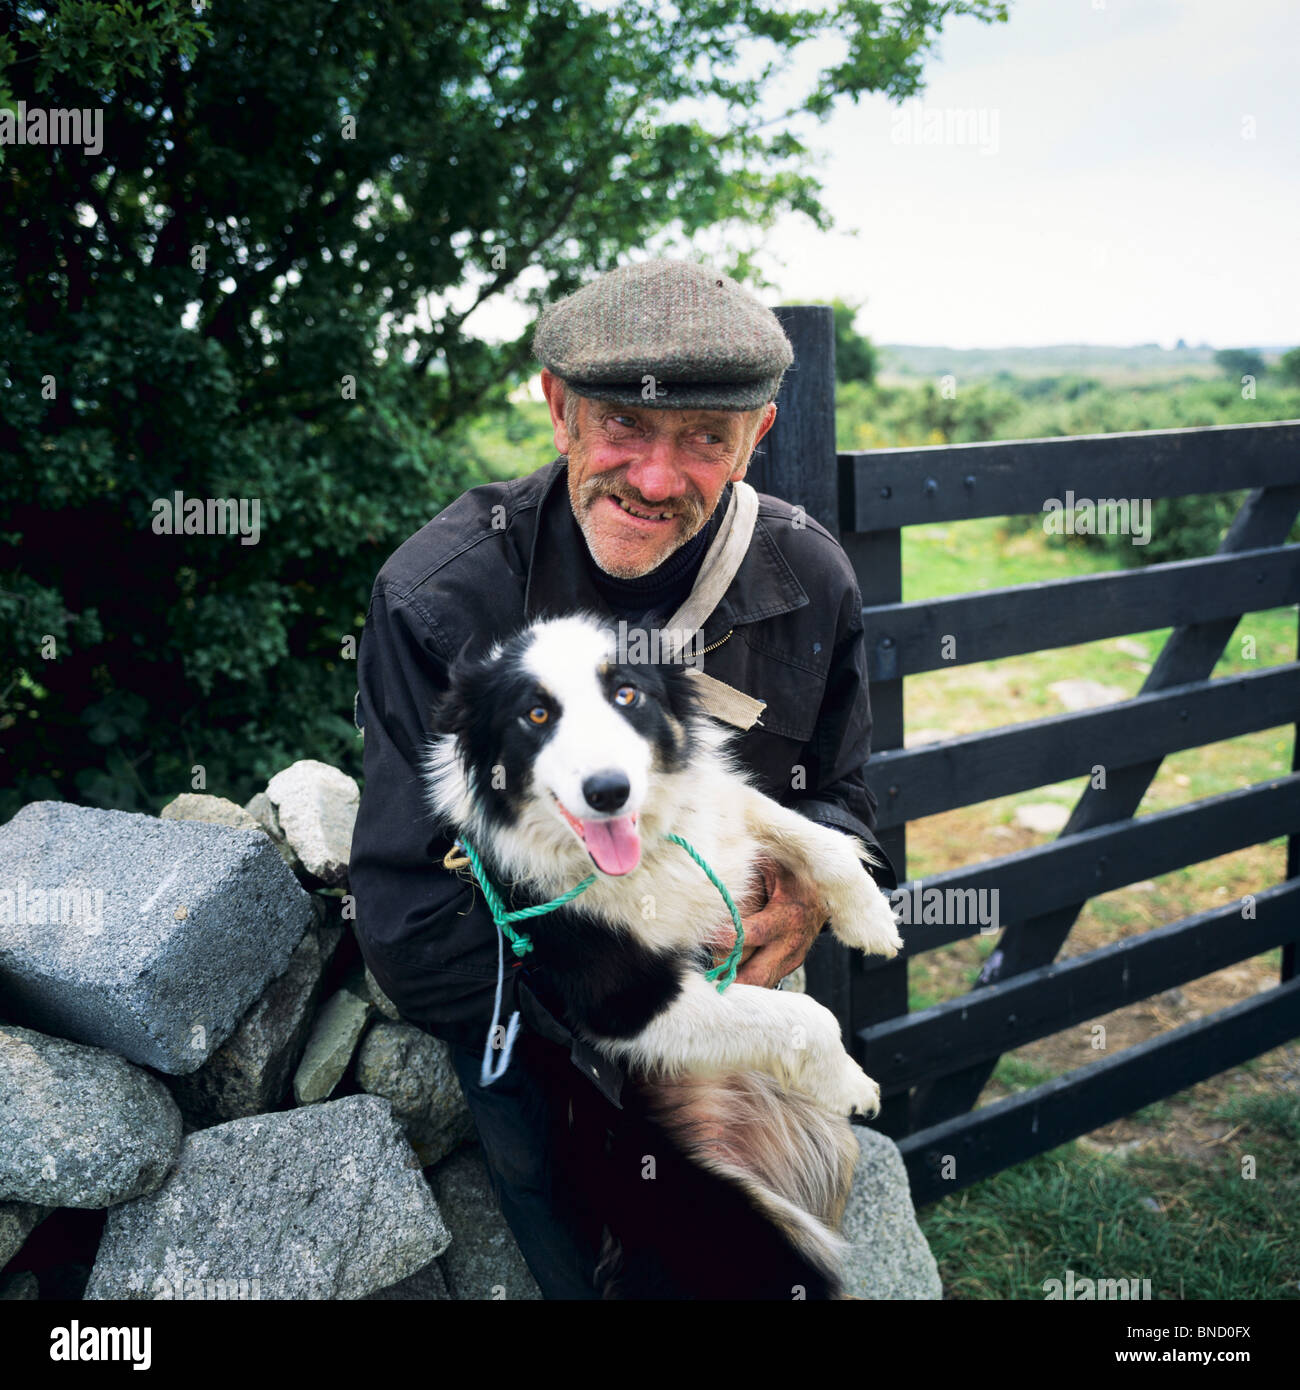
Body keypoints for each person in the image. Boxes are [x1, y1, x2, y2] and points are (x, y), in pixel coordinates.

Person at [349, 258, 898, 1299]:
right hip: (552, 1010)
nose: (654, 478)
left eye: (704, 439)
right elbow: (412, 919)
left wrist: (802, 897)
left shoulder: (808, 574)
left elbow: (845, 793)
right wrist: (635, 1010)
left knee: (786, 1258)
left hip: (744, 981)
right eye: (623, 428)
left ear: (757, 436)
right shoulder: (439, 597)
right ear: (557, 409)